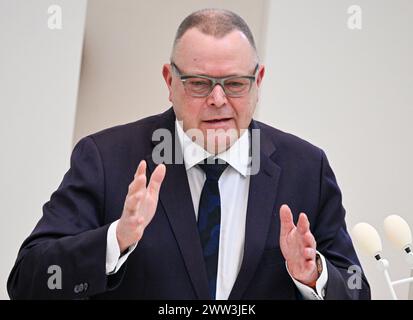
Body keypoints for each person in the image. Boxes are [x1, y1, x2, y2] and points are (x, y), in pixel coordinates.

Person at [8, 8, 370, 300]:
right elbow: (27, 281)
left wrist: (313, 275)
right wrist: (116, 239)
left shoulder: (306, 168)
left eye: (234, 84)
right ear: (169, 81)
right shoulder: (105, 158)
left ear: (258, 82)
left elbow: (356, 290)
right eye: (198, 83)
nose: (217, 99)